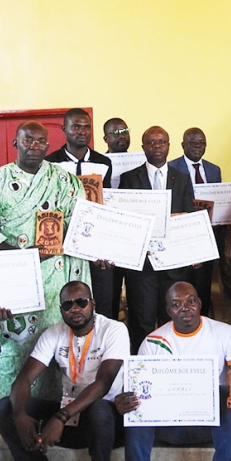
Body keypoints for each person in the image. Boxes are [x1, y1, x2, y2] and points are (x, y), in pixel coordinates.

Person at [0, 121, 91, 399]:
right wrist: (26, 259)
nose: (34, 146)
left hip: (57, 281)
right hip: (15, 280)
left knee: (57, 347)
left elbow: (81, 226)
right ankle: (15, 412)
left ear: (48, 144)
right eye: (28, 140)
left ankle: (58, 412)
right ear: (15, 143)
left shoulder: (65, 181)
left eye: (41, 141)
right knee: (16, 350)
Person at [0, 281, 129, 461]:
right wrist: (19, 416)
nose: (75, 309)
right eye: (67, 305)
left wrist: (60, 417)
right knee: (3, 409)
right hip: (70, 417)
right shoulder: (54, 333)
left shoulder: (114, 330)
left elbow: (103, 384)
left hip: (106, 424)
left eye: (81, 302)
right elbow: (24, 379)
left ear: (93, 304)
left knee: (99, 409)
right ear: (61, 309)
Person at [117, 282, 231, 461]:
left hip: (211, 425)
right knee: (138, 403)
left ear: (200, 303)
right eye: (176, 304)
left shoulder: (224, 333)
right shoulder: (152, 343)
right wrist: (125, 400)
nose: (185, 308)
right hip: (168, 427)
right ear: (168, 311)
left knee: (230, 397)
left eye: (191, 301)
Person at [118, 126, 195, 352]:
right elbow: (126, 221)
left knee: (171, 321)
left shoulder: (181, 178)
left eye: (162, 141)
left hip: (174, 266)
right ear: (143, 147)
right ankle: (142, 367)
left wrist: (193, 251)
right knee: (142, 321)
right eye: (151, 142)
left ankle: (171, 365)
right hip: (143, 267)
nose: (157, 146)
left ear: (169, 146)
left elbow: (189, 218)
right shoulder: (129, 178)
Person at [45, 109, 116, 318]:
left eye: (86, 127)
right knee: (68, 302)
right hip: (63, 244)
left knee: (102, 302)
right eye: (76, 126)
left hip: (96, 242)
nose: (82, 132)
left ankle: (100, 348)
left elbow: (108, 202)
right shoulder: (50, 163)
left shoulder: (104, 162)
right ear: (64, 129)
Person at [170, 127, 222, 317]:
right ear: (183, 145)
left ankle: (204, 318)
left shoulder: (214, 169)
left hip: (207, 234)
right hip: (182, 234)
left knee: (203, 283)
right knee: (182, 282)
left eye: (201, 143)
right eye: (192, 143)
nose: (197, 146)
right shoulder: (171, 168)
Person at [102, 117, 131, 318]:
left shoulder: (142, 162)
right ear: (105, 138)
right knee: (109, 292)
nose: (122, 137)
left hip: (133, 236)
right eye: (116, 133)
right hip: (108, 236)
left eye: (125, 131)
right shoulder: (98, 164)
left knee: (139, 295)